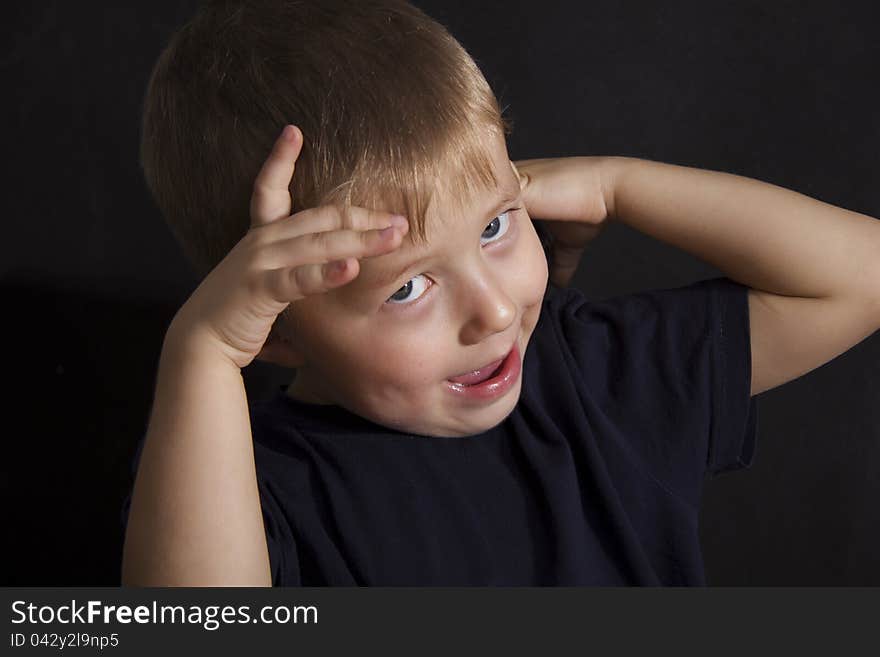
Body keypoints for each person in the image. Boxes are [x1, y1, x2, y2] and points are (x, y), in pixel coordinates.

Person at [121, 0, 880, 585]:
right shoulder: (251, 488)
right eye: (409, 286)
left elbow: (860, 275)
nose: (494, 311)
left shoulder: (593, 376)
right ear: (273, 328)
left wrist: (619, 183)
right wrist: (206, 351)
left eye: (493, 229)